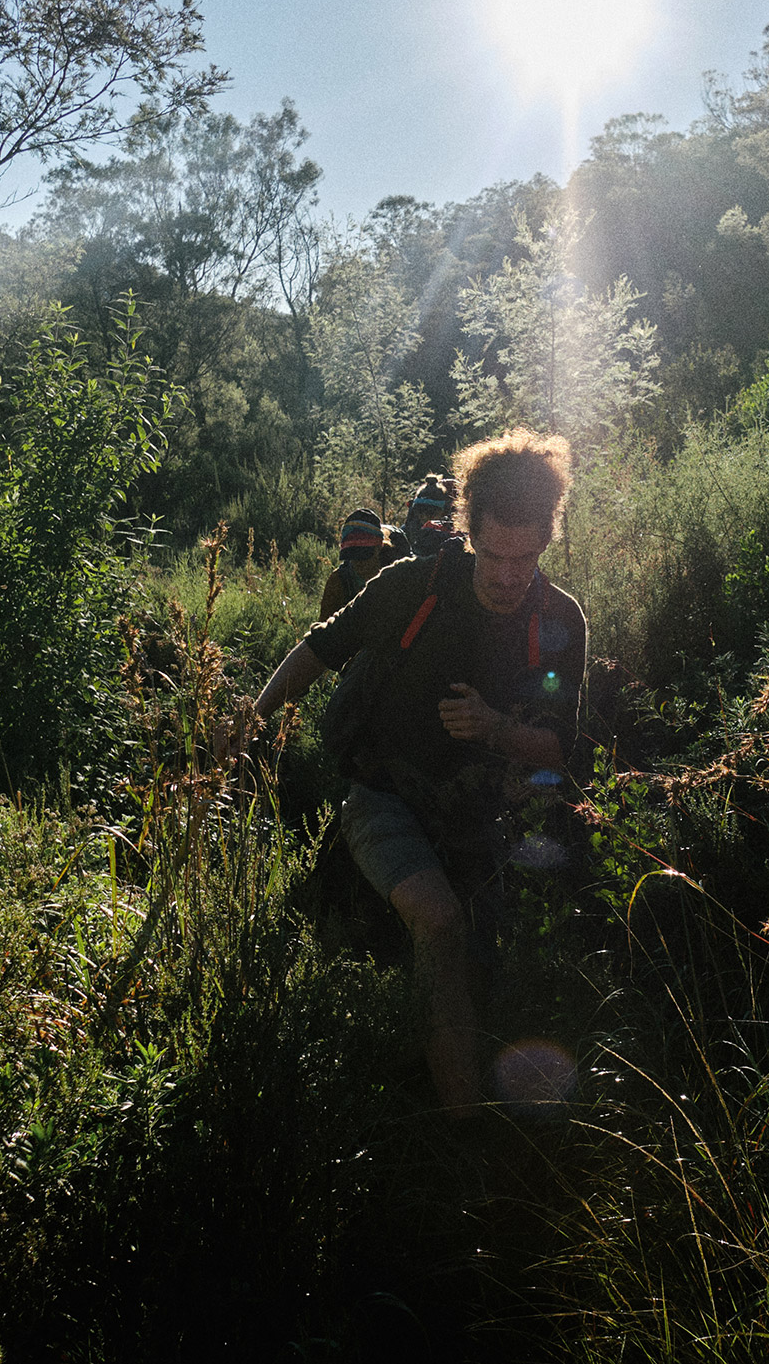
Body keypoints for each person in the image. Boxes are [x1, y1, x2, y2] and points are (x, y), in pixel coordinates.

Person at [230, 432, 584, 1117]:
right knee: (440, 922)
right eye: (495, 555)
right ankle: (465, 1132)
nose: (509, 576)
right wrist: (252, 720)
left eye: (527, 558)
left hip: (481, 817)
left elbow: (562, 749)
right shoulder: (410, 588)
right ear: (468, 530)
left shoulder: (559, 619)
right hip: (383, 796)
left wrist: (495, 729)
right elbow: (318, 649)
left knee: (488, 960)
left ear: (549, 537)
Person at [319, 507, 395, 620]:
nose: (358, 561)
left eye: (363, 554)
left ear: (379, 547)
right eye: (352, 554)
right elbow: (324, 625)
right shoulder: (338, 582)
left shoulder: (393, 576)